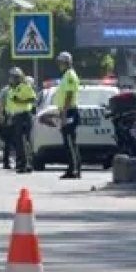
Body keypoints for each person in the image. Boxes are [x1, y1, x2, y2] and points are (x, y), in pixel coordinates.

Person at [4, 67, 38, 173]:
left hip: (24, 115)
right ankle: (20, 163)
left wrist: (21, 101)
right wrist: (9, 116)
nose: (12, 79)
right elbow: (10, 105)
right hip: (15, 117)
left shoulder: (25, 87)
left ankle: (27, 164)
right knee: (18, 141)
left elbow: (33, 99)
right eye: (11, 77)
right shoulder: (11, 90)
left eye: (15, 77)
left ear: (19, 78)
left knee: (25, 141)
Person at [54, 51, 82, 179]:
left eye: (60, 62)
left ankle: (74, 169)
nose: (59, 65)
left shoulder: (70, 75)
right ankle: (72, 168)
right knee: (68, 142)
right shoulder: (66, 75)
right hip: (66, 111)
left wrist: (64, 114)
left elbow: (69, 95)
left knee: (70, 142)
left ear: (66, 63)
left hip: (69, 111)